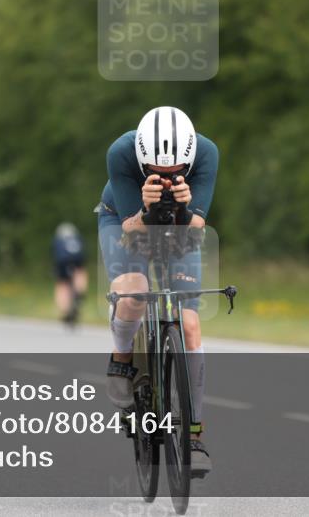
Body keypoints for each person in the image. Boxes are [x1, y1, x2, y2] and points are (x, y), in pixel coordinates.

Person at [97, 106, 218, 475]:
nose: (166, 180)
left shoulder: (206, 153)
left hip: (181, 227)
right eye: (157, 174)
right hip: (122, 217)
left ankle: (194, 434)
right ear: (142, 161)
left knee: (191, 324)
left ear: (188, 160)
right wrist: (147, 207)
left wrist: (183, 205)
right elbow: (133, 231)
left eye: (175, 174)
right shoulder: (121, 152)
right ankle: (121, 357)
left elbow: (194, 228)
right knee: (134, 292)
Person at [51, 223, 87, 325]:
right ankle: (80, 291)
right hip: (78, 259)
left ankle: (65, 310)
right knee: (80, 271)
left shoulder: (57, 240)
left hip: (62, 261)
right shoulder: (77, 238)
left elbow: (54, 255)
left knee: (62, 284)